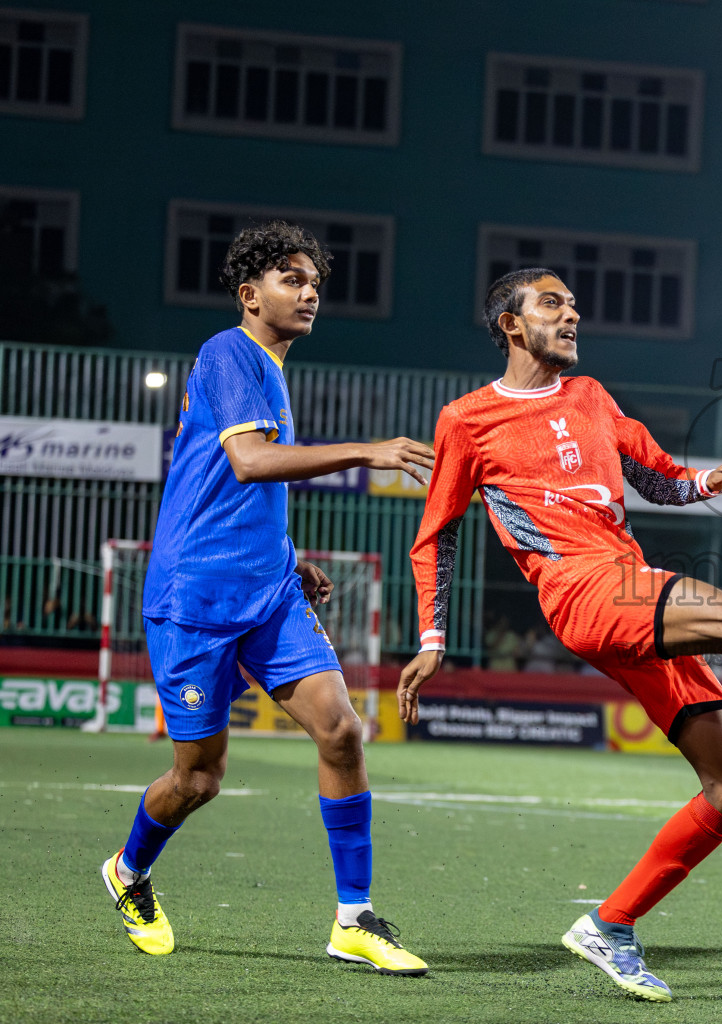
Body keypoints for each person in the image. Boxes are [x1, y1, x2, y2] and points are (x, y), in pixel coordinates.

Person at [398, 268, 722, 1002]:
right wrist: (431, 638)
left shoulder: (591, 396)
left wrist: (709, 482)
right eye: (552, 304)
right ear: (511, 326)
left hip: (628, 583)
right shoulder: (467, 419)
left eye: (573, 304)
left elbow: (659, 480)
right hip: (582, 592)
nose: (572, 315)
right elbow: (437, 533)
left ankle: (609, 925)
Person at [101, 222, 434, 975]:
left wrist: (287, 557)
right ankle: (128, 870)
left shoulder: (270, 369)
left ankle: (353, 919)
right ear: (250, 295)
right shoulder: (228, 351)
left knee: (342, 731)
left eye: (314, 281)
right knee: (198, 779)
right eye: (292, 278)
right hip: (195, 597)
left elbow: (240, 491)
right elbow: (250, 463)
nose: (310, 292)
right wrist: (369, 449)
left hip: (269, 590)